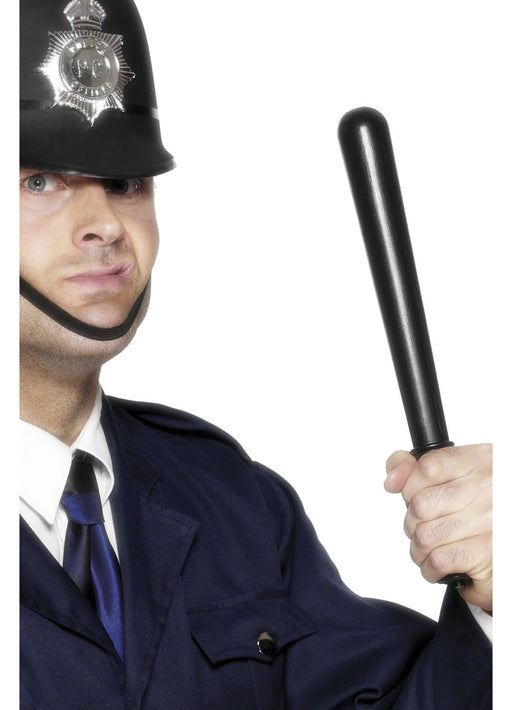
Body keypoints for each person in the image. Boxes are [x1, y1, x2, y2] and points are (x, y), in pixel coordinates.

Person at [20, 1, 492, 708]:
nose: (104, 225)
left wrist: (492, 597)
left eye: (124, 183)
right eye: (38, 181)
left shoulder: (230, 499)